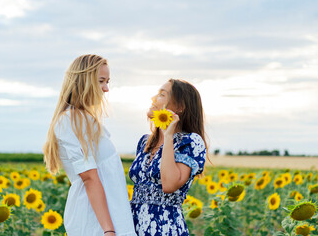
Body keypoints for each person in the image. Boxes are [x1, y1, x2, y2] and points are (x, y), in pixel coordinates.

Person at [43, 54, 136, 236]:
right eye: (101, 81)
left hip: (109, 217)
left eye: (108, 81)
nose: (106, 88)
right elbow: (89, 178)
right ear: (84, 81)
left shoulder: (85, 120)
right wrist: (108, 230)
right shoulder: (70, 121)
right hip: (95, 221)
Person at [129, 79, 208, 236]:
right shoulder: (145, 142)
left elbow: (169, 184)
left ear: (179, 107)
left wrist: (168, 136)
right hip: (133, 226)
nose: (153, 98)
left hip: (164, 227)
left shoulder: (190, 142)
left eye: (161, 94)